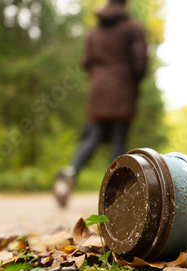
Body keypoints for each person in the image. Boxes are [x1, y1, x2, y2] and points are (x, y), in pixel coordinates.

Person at [53, 0, 148, 208]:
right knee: (118, 141)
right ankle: (112, 197)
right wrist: (134, 80)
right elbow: (140, 62)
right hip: (122, 91)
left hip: (98, 91)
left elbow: (85, 61)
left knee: (92, 137)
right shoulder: (132, 27)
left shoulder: (94, 31)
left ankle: (69, 175)